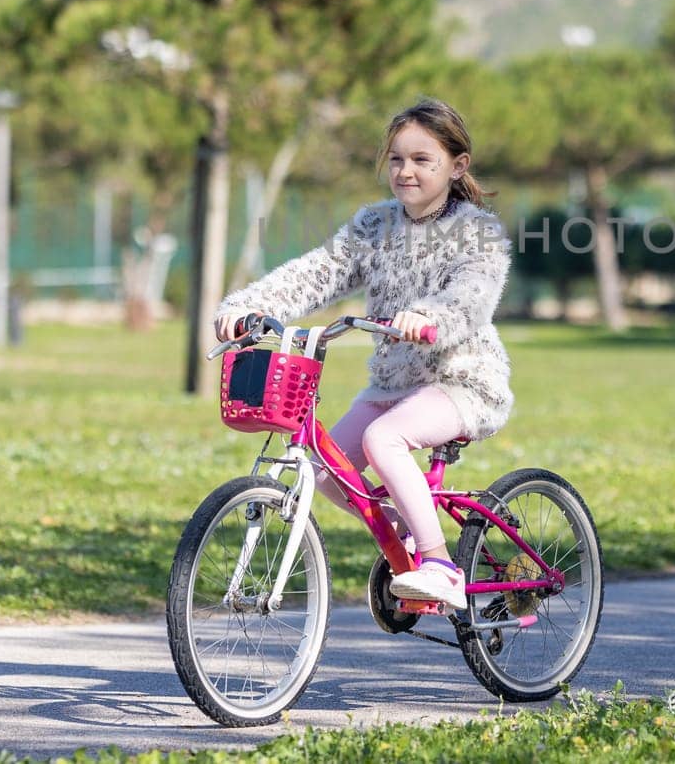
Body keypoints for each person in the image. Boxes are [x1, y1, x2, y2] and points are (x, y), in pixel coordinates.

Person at [213, 97, 513, 610]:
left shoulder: (477, 232)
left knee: (383, 439)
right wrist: (248, 305)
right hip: (393, 385)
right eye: (396, 159)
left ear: (457, 166)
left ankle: (440, 564)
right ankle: (408, 534)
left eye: (423, 159)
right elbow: (316, 272)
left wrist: (431, 318)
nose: (406, 171)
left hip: (462, 381)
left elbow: (471, 295)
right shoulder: (374, 227)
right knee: (327, 466)